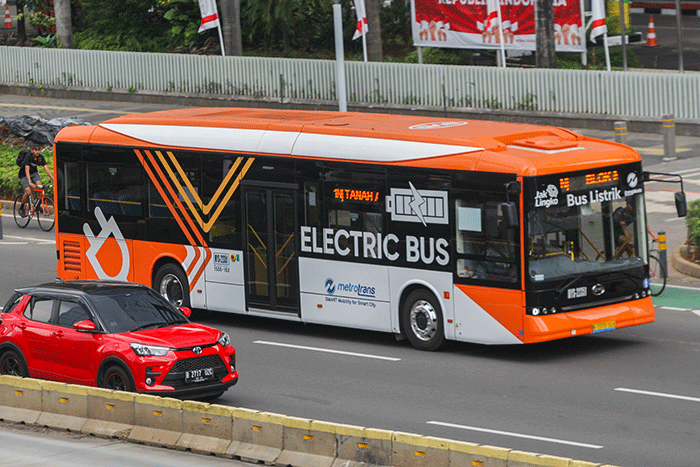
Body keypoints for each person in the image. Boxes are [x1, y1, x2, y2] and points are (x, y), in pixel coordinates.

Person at [17, 145, 54, 217]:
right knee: (28, 191)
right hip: (24, 174)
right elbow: (27, 169)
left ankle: (37, 205)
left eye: (38, 150)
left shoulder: (40, 157)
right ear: (32, 151)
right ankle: (21, 208)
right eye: (35, 150)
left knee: (40, 186)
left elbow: (46, 168)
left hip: (34, 173)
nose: (37, 152)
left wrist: (53, 179)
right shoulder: (28, 156)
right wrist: (30, 182)